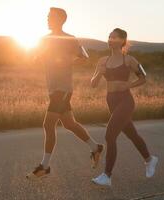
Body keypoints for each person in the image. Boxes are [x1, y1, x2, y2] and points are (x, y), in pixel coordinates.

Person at [26, 7, 104, 179]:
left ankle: (44, 167)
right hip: (53, 87)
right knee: (69, 124)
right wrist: (38, 57)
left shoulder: (69, 39)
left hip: (63, 88)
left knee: (48, 125)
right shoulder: (43, 39)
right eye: (47, 16)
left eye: (50, 17)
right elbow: (37, 56)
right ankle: (95, 147)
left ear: (60, 19)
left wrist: (67, 62)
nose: (47, 19)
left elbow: (84, 57)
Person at [90, 28, 158, 186]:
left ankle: (107, 175)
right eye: (109, 37)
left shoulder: (129, 60)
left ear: (122, 41)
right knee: (132, 134)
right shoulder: (102, 61)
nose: (110, 39)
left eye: (114, 37)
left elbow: (143, 78)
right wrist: (99, 74)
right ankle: (149, 159)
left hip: (125, 101)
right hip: (111, 100)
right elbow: (93, 84)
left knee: (110, 136)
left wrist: (129, 84)